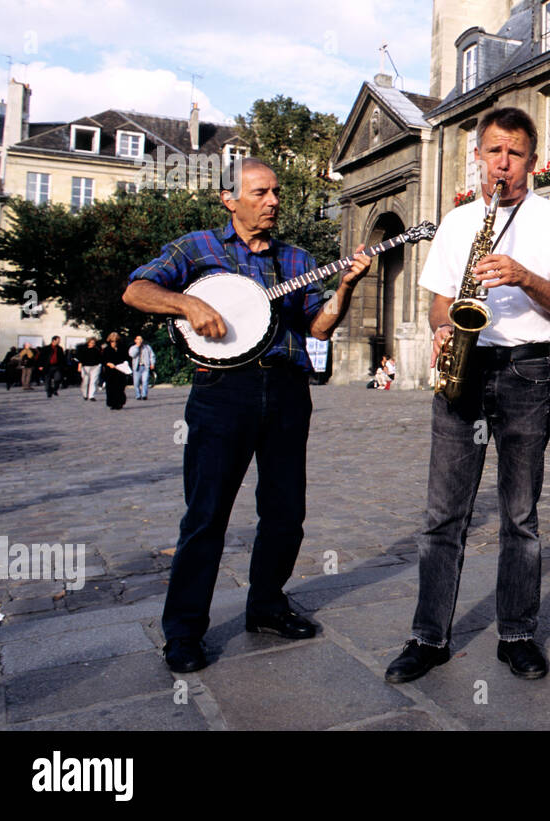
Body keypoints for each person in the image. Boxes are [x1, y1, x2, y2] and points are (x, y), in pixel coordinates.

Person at [124, 157, 371, 673]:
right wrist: (187, 306)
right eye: (260, 192)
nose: (273, 201)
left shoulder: (298, 258)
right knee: (206, 514)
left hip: (285, 389)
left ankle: (266, 606)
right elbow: (137, 290)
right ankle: (185, 632)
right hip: (221, 391)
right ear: (229, 199)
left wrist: (345, 287)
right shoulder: (197, 248)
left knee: (285, 512)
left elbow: (319, 328)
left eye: (276, 192)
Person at [384, 107, 550, 684]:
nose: (503, 164)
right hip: (466, 370)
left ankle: (518, 633)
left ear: (533, 160)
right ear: (478, 155)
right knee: (443, 515)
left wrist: (522, 275)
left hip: (526, 372)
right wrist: (445, 326)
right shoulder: (457, 222)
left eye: (515, 153)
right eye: (493, 151)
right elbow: (436, 303)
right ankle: (428, 637)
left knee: (521, 516)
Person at [101, 332, 130, 410]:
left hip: (120, 370)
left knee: (120, 387)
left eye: (116, 341)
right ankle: (112, 403)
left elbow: (127, 358)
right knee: (111, 388)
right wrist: (108, 363)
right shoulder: (106, 350)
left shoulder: (123, 349)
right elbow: (103, 360)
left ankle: (120, 402)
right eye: (112, 341)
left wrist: (125, 363)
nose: (114, 343)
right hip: (110, 371)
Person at [74, 336, 104, 402]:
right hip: (85, 367)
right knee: (85, 381)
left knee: (93, 381)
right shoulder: (83, 349)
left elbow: (101, 357)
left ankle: (91, 396)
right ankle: (85, 394)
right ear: (88, 342)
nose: (93, 344)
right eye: (91, 343)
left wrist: (100, 365)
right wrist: (79, 366)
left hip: (95, 366)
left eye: (94, 343)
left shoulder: (97, 349)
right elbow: (80, 359)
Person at [129, 334, 156, 399]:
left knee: (145, 381)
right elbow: (132, 355)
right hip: (137, 367)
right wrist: (137, 347)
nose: (140, 341)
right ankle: (138, 395)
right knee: (136, 382)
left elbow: (152, 356)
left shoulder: (147, 347)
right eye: (138, 339)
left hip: (145, 366)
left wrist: (152, 363)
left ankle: (144, 395)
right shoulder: (133, 348)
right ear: (135, 340)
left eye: (141, 339)